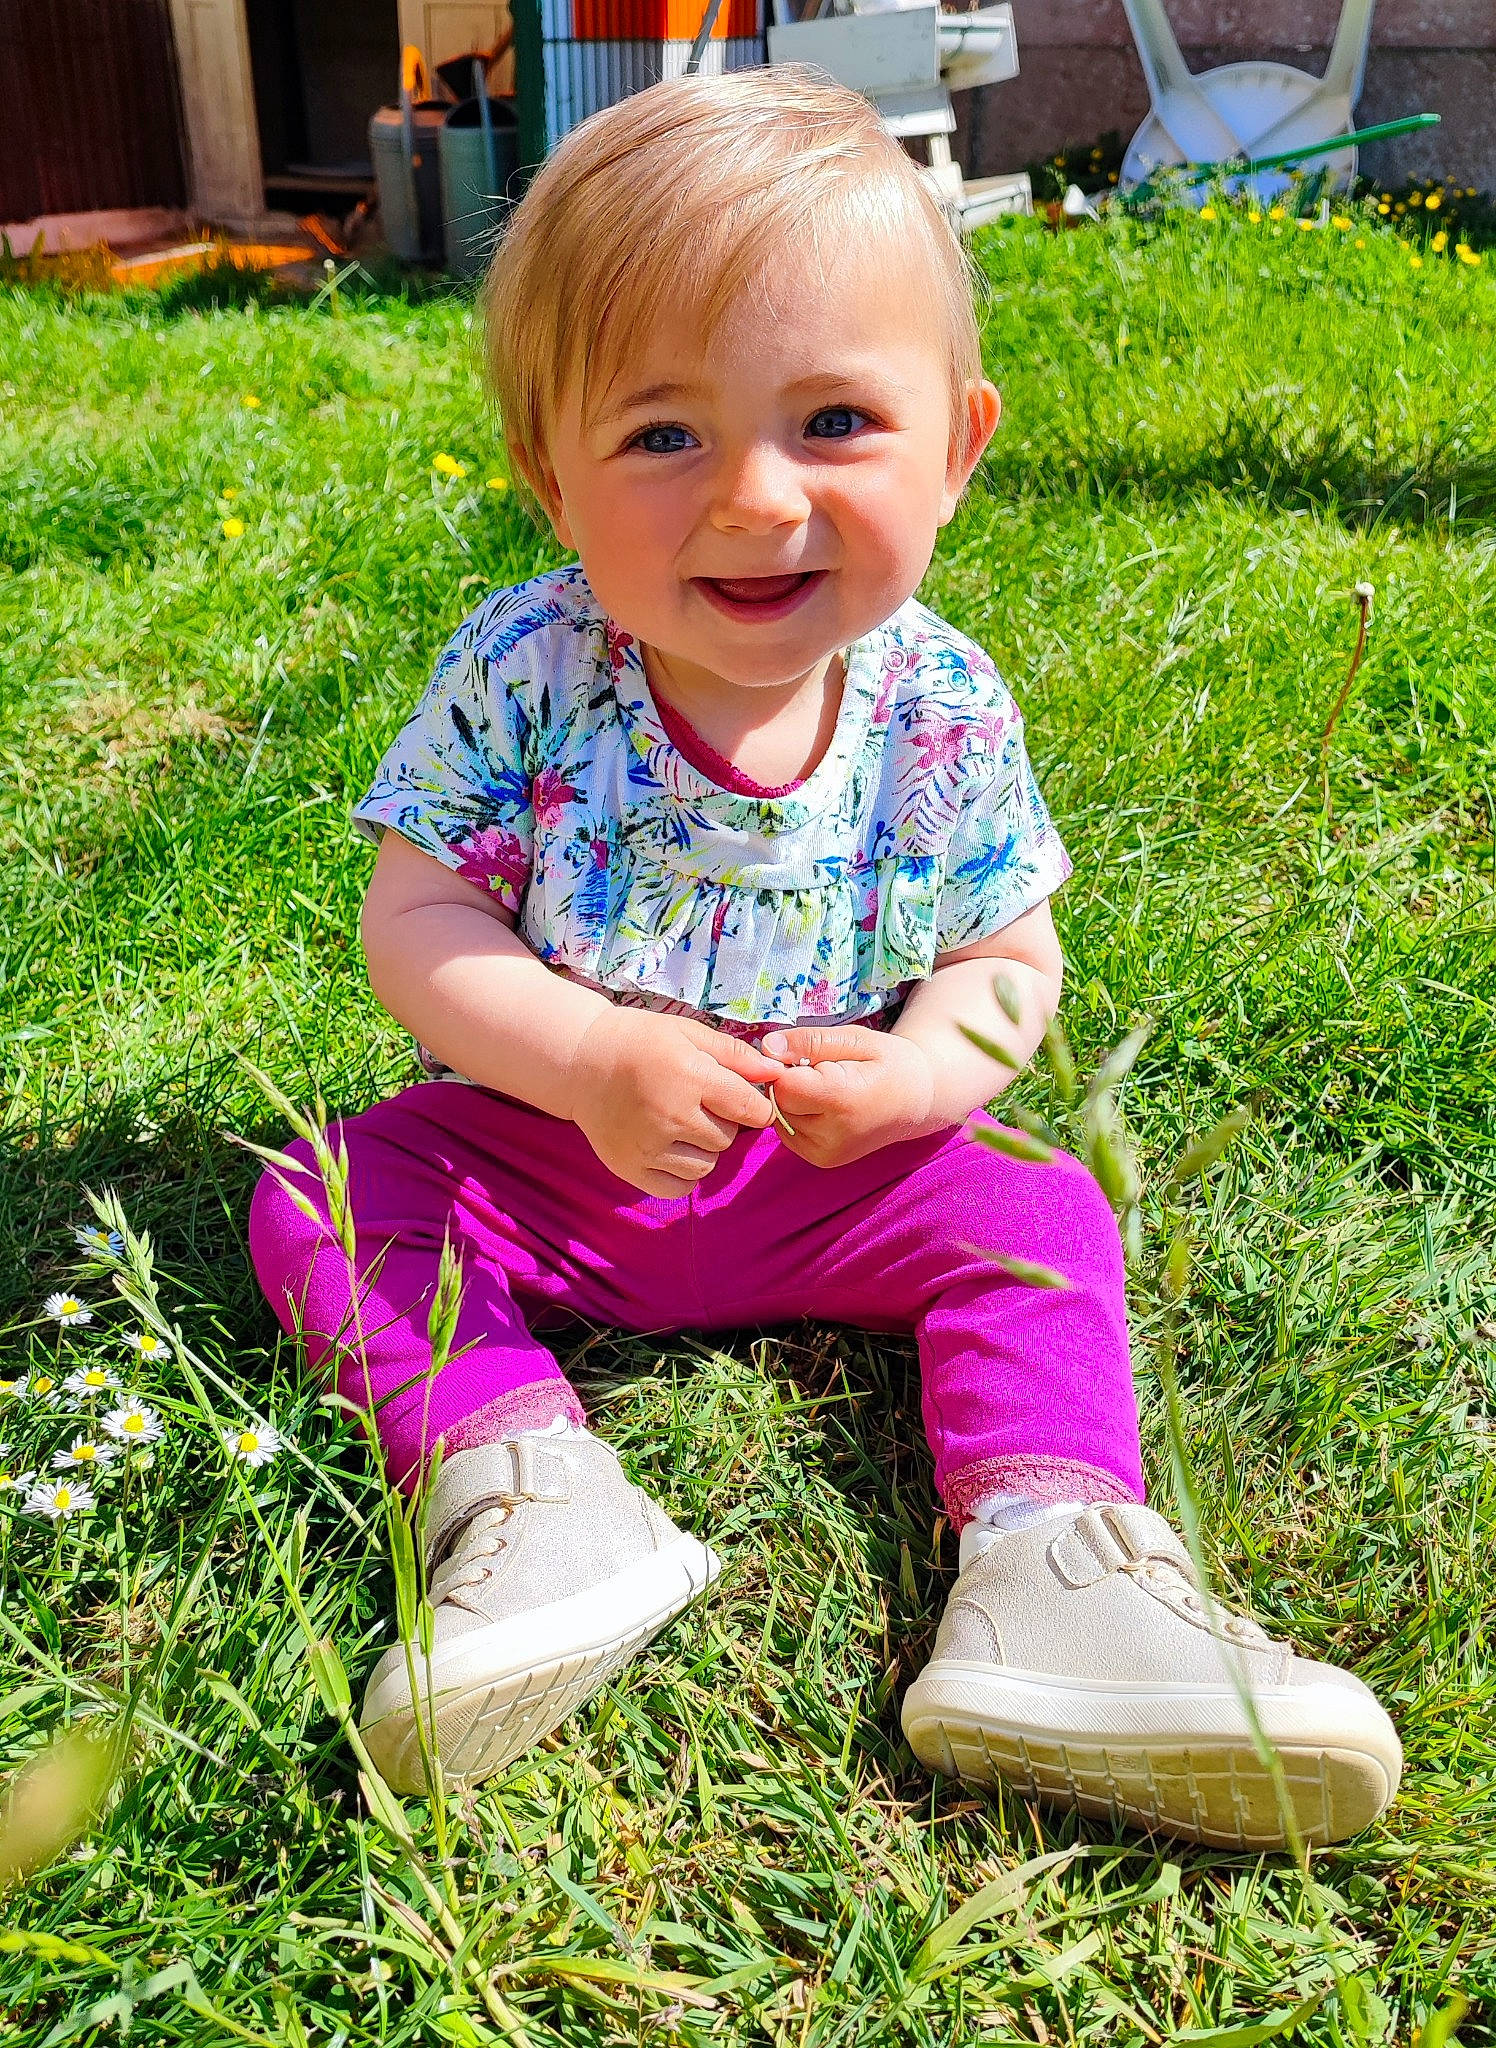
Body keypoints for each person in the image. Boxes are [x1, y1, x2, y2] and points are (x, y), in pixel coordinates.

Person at [249, 66, 1401, 1847]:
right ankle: (528, 1492)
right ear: (550, 475)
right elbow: (415, 921)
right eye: (662, 437)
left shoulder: (939, 700)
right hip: (556, 1162)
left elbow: (1012, 959)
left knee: (1038, 1215)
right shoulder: (529, 669)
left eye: (837, 421)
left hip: (830, 1166)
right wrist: (580, 1061)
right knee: (330, 1190)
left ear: (961, 444)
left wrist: (928, 1073)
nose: (756, 500)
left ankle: (1057, 1566)